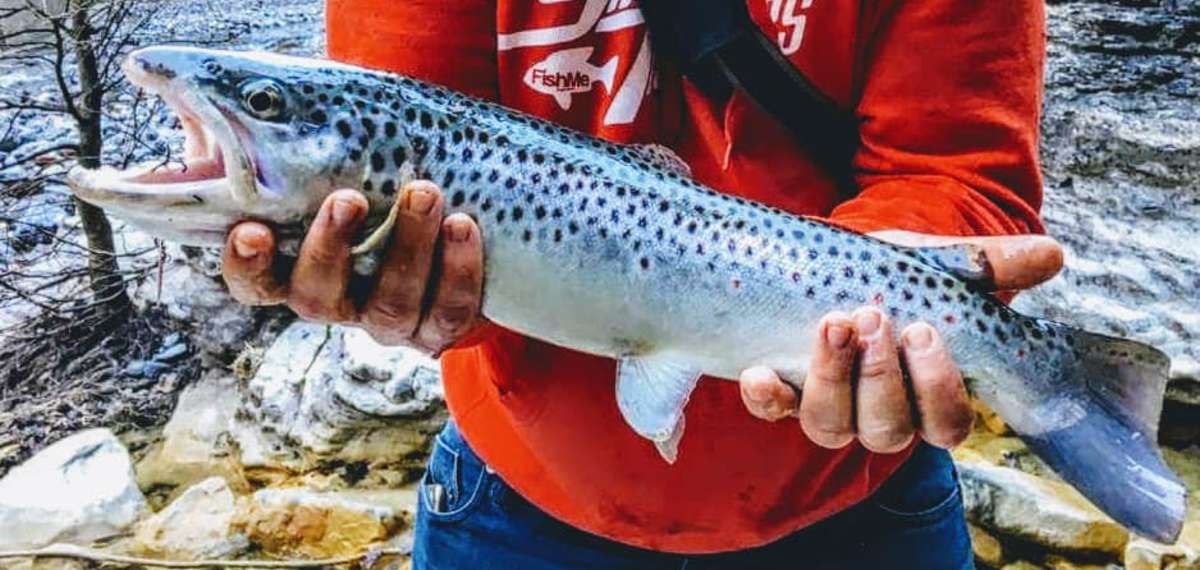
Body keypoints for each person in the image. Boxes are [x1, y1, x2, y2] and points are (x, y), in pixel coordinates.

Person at [221, 1, 1063, 567]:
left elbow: (956, 173)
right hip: (519, 503)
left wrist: (889, 318)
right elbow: (414, 194)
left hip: (860, 505)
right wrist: (404, 296)